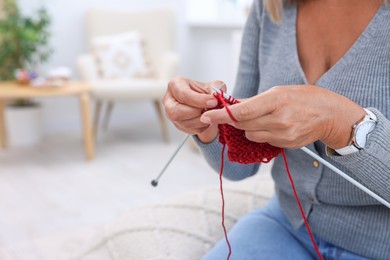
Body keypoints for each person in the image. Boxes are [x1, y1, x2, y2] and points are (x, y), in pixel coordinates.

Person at [162, 0, 390, 259]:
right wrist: (208, 122)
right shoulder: (271, 8)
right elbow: (239, 166)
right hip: (287, 223)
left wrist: (342, 124)